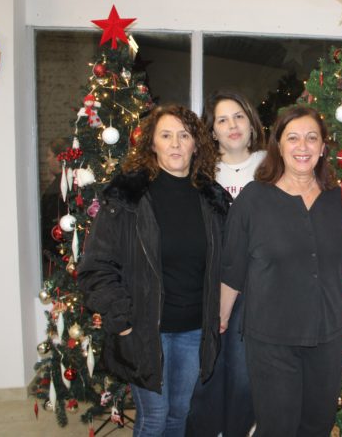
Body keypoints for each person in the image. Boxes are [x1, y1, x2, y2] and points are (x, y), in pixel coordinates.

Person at [78, 104, 230, 437]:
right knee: (155, 417)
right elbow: (96, 266)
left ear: (196, 145)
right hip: (145, 330)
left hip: (193, 330)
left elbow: (226, 262)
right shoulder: (126, 198)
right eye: (166, 135)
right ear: (152, 144)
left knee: (179, 414)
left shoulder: (212, 199)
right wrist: (122, 322)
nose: (175, 144)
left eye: (184, 135)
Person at [220, 105, 342, 437]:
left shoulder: (341, 201)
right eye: (293, 138)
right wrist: (221, 319)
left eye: (311, 138)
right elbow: (232, 268)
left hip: (328, 337)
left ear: (323, 147)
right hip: (271, 339)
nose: (303, 146)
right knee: (277, 428)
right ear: (279, 145)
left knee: (317, 426)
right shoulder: (254, 200)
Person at [187, 90, 266, 437]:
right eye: (222, 119)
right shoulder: (200, 172)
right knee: (206, 371)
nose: (232, 125)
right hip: (207, 285)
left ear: (251, 124)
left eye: (238, 117)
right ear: (213, 131)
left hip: (256, 288)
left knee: (243, 373)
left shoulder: (272, 166)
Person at [39, 137, 67, 268]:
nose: (47, 160)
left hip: (56, 255)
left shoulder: (56, 190)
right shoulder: (64, 183)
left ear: (59, 158)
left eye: (49, 155)